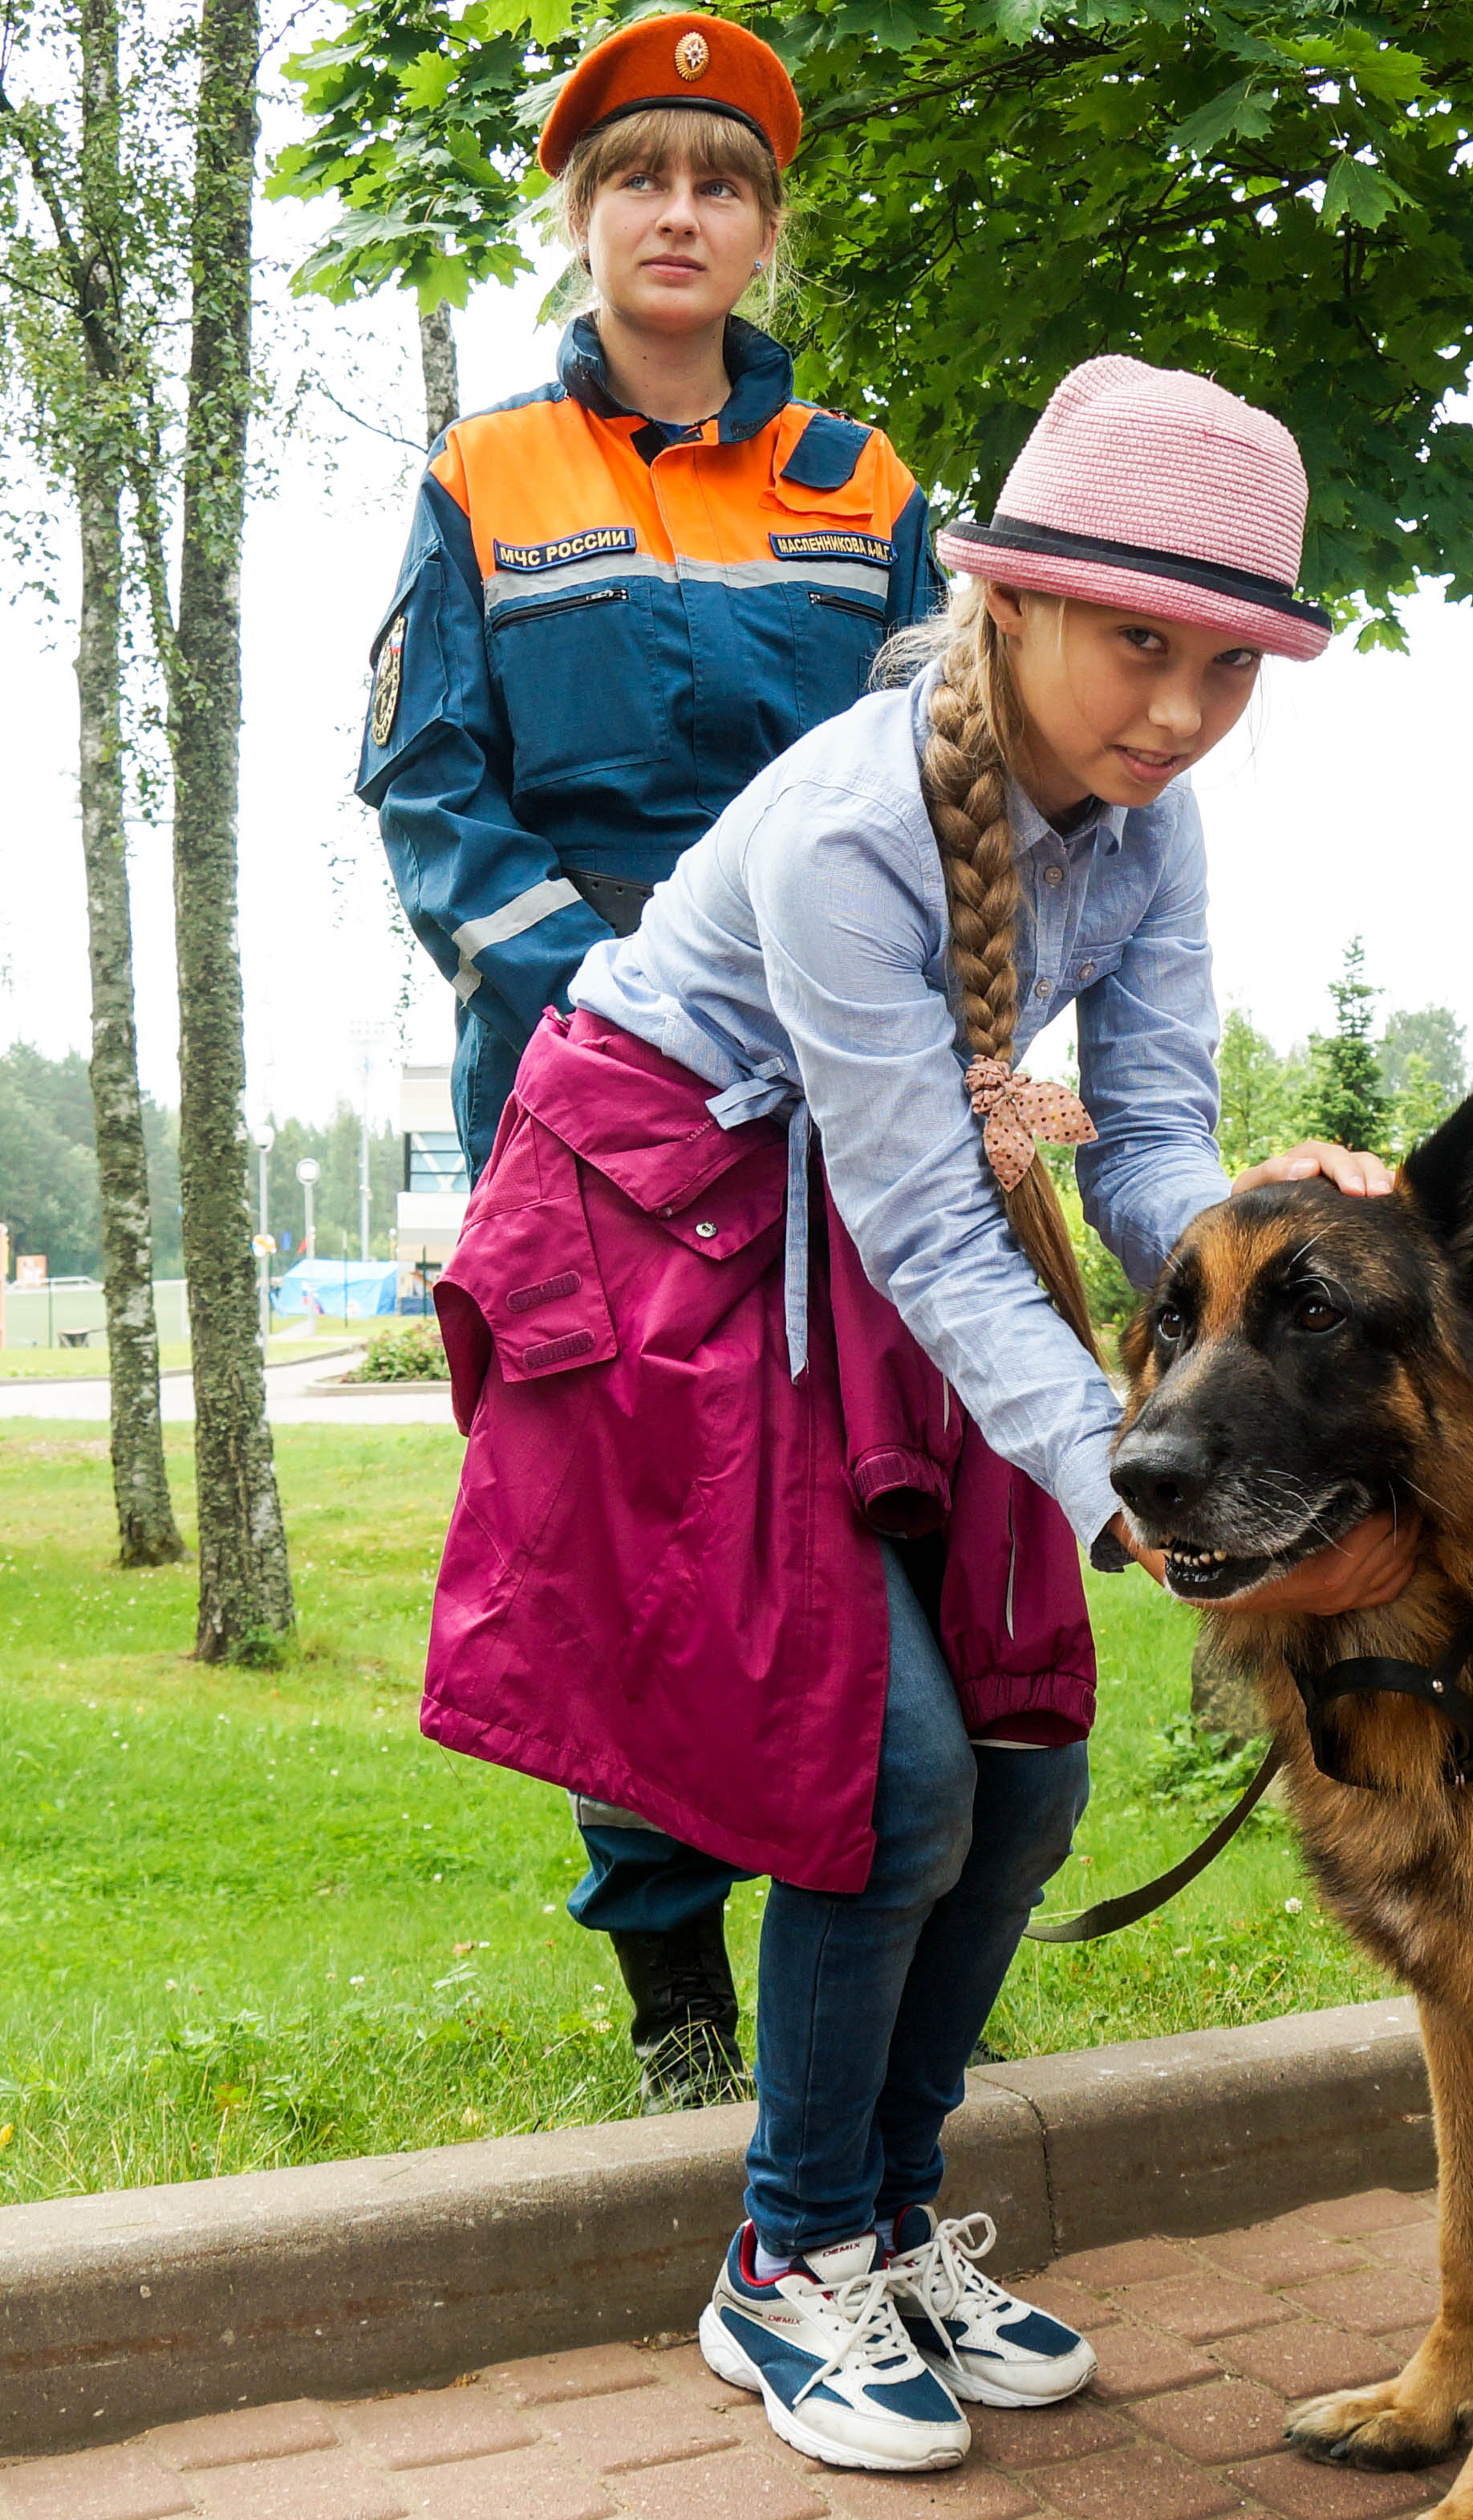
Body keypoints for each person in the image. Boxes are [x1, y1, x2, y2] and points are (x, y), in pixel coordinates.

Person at [418, 355, 1419, 2473]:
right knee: (887, 1774)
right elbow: (943, 1235)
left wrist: (1269, 1222)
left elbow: (1147, 1149)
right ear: (1013, 602)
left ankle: (884, 2219)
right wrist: (1125, 1486)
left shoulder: (1150, 822)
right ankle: (785, 2262)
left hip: (862, 1229)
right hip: (666, 1233)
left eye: (1229, 667)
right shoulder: (856, 826)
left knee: (1029, 1767)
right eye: (1139, 644)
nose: (1181, 709)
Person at [356, 14, 940, 2105]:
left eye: (718, 183)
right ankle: (677, 1990)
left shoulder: (867, 487)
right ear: (584, 217)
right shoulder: (486, 477)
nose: (677, 215)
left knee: (858, 1501)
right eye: (639, 180)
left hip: (838, 1078)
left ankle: (871, 1936)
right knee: (634, 1534)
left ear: (767, 229)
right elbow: (429, 791)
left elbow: (941, 774)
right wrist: (613, 1015)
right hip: (589, 1099)